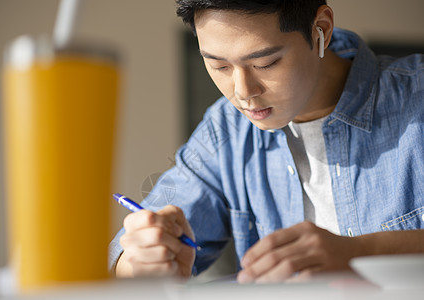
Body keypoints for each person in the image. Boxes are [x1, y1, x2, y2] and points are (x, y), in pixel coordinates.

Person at [109, 0, 424, 283]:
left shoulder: (417, 100)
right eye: (219, 66)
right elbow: (129, 251)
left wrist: (362, 253)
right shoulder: (226, 131)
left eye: (265, 63)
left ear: (321, 31)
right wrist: (139, 260)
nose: (243, 91)